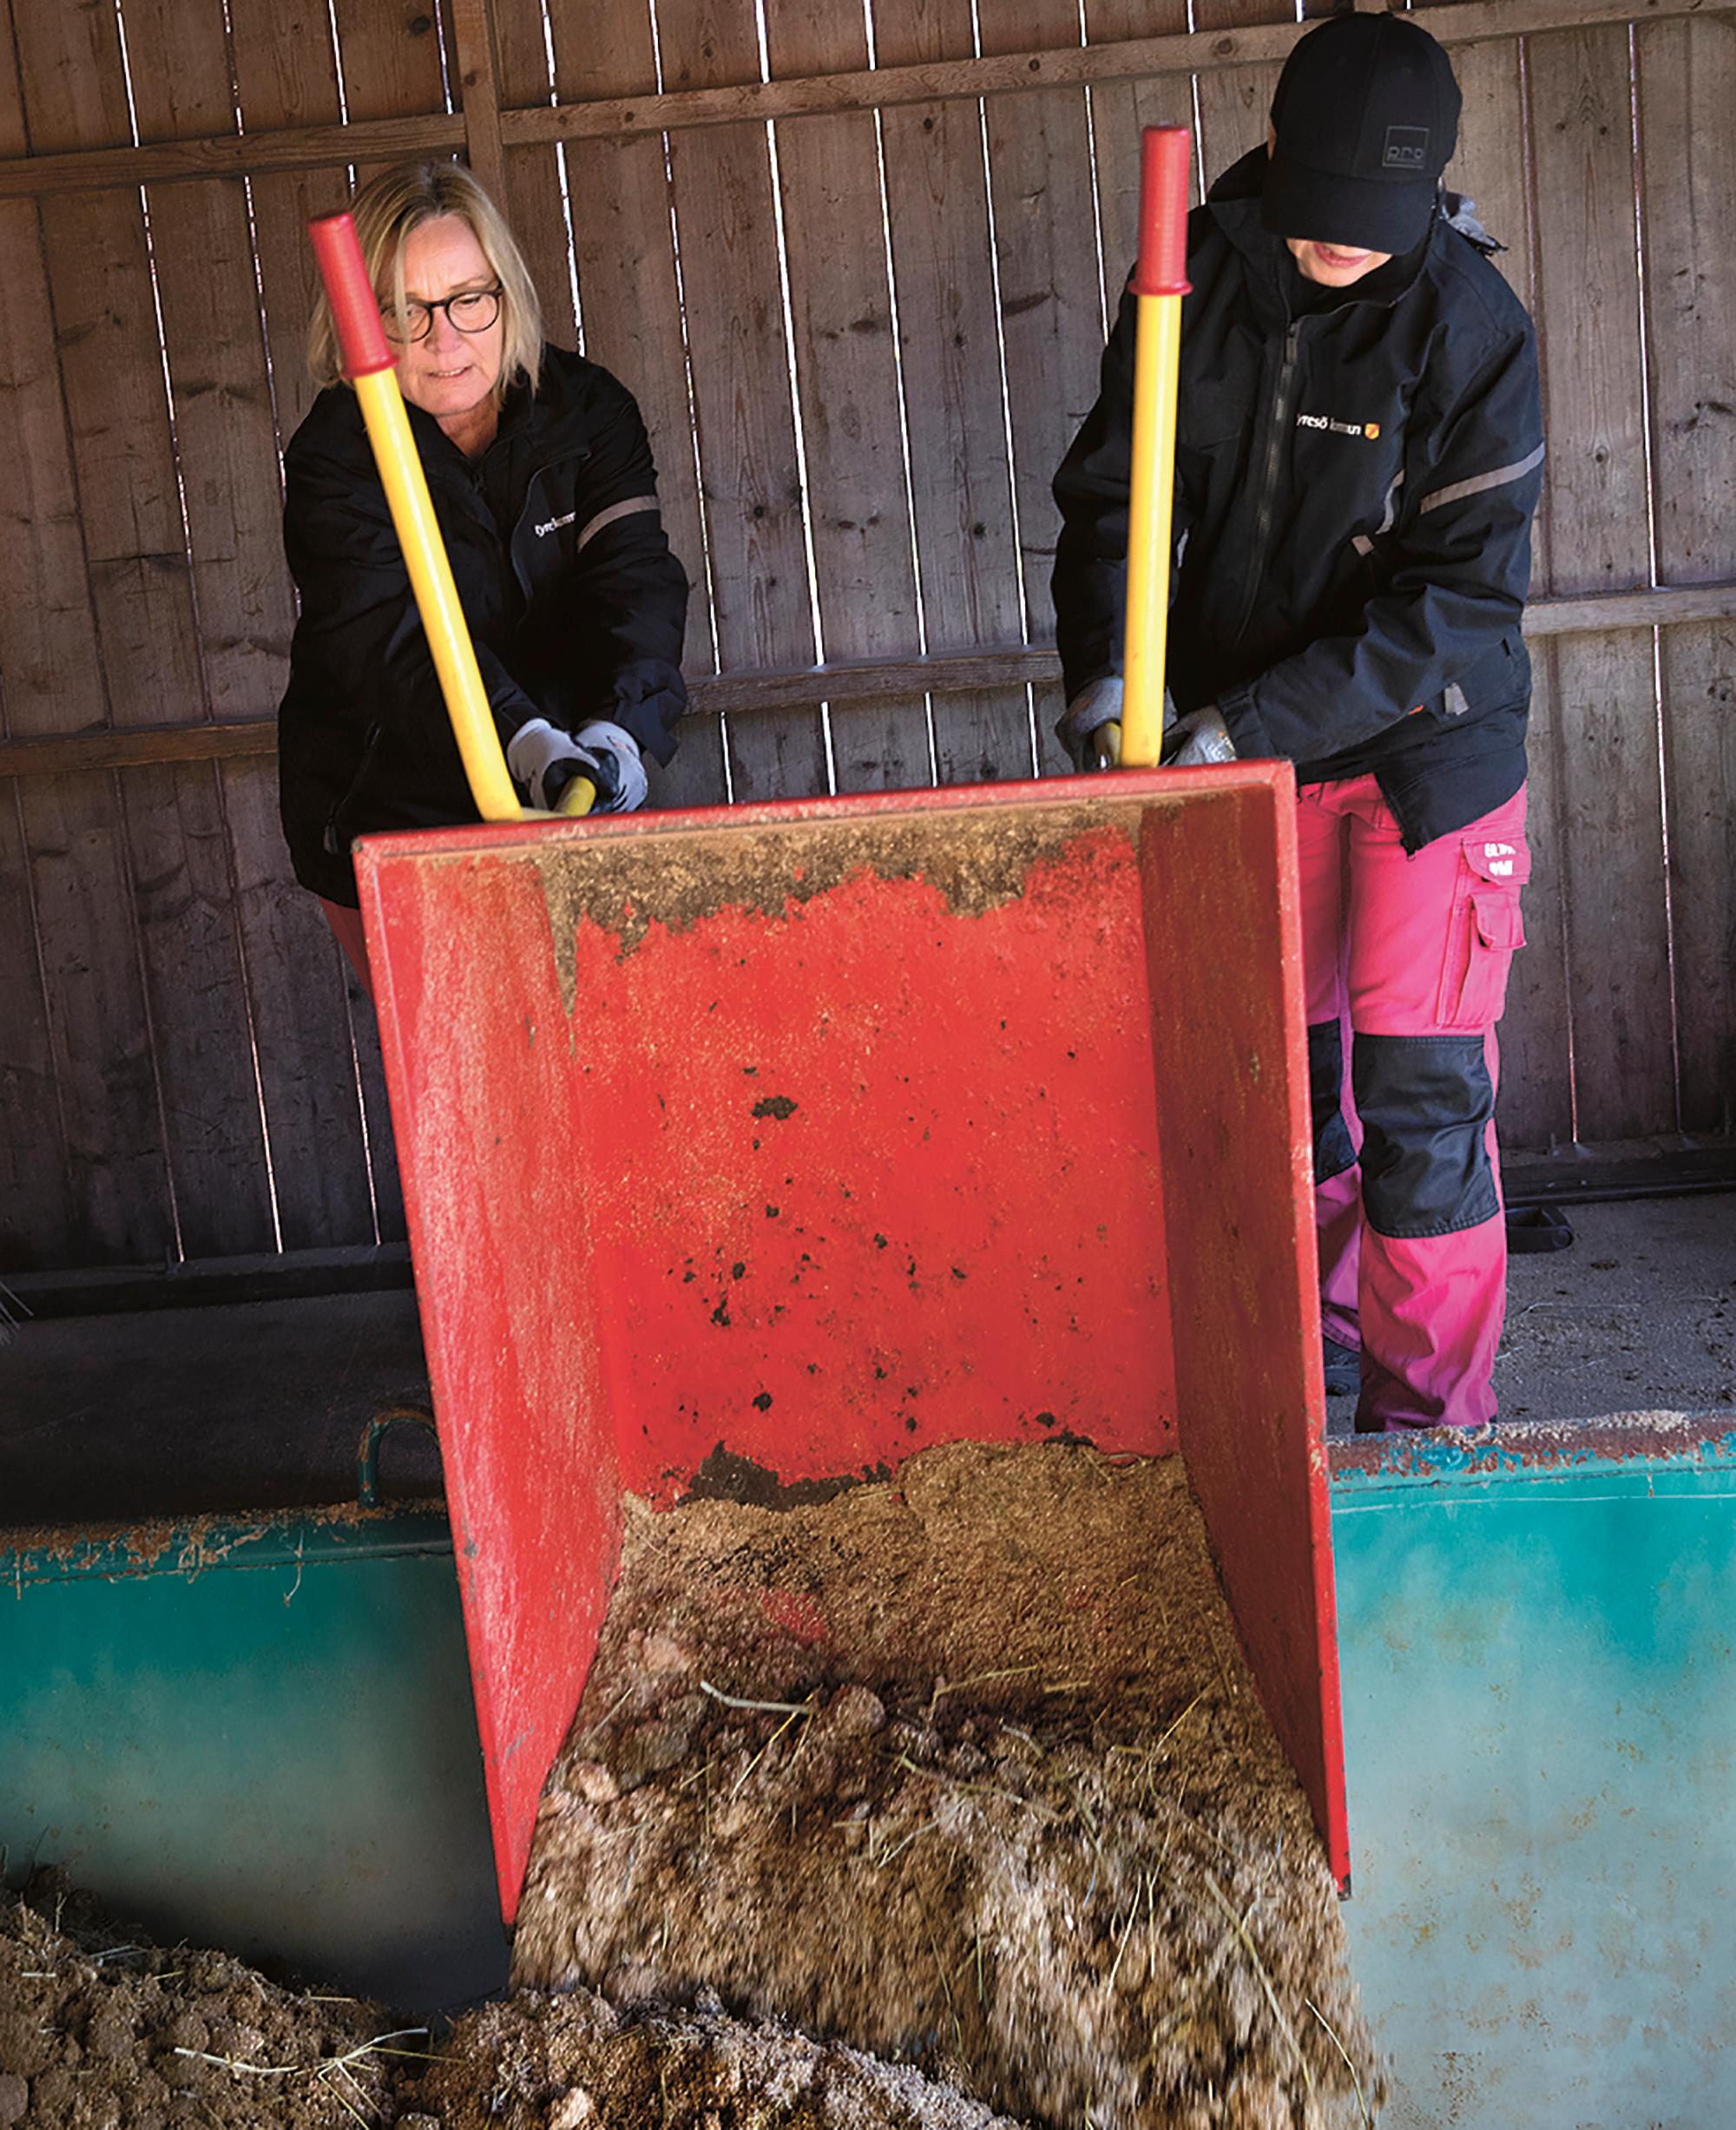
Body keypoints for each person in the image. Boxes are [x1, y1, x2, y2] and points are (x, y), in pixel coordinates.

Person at [1052, 13, 1544, 1431]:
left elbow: (1457, 610)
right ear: (1273, 150)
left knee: (1420, 1110)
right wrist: (1106, 675)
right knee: (1293, 1098)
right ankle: (1317, 1380)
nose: (1344, 242)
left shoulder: (1469, 327)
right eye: (1322, 210)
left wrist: (1237, 723)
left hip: (1417, 764)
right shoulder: (1188, 279)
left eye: (1375, 222)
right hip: (1240, 765)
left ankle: (1425, 1438)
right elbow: (1109, 508)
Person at [278, 161, 689, 994]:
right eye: (407, 311)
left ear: (506, 291)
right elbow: (396, 648)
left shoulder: (588, 411)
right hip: (393, 810)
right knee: (459, 1084)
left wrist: (622, 734)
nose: (445, 337)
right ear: (366, 322)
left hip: (574, 783)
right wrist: (522, 741)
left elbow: (633, 583)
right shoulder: (339, 456)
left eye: (470, 297)